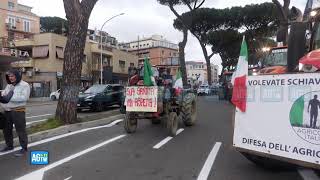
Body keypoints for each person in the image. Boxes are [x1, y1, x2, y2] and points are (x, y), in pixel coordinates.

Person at [0, 69, 30, 157]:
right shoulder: (9, 85)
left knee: (20, 130)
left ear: (17, 75)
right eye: (9, 76)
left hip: (18, 111)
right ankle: (9, 146)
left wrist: (9, 97)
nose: (11, 78)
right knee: (6, 130)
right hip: (7, 111)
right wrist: (3, 95)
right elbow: (4, 94)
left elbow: (24, 98)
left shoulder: (24, 85)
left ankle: (24, 148)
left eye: (12, 76)